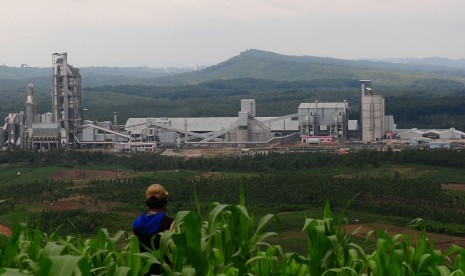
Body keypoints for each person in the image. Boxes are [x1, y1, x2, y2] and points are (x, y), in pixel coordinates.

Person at [133, 184, 175, 275]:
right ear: (165, 201)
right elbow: (172, 254)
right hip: (163, 271)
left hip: (144, 271)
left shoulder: (136, 223)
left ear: (147, 202)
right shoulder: (170, 223)